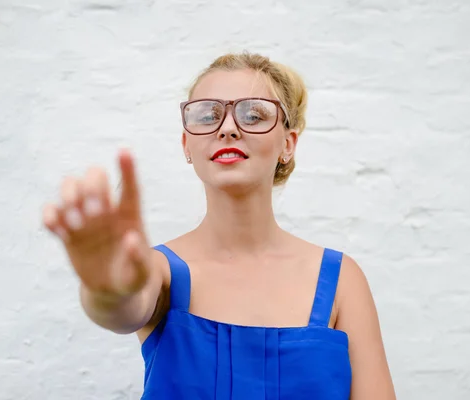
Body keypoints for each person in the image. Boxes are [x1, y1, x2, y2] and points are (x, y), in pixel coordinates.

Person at [42, 52, 396, 399]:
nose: (227, 128)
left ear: (287, 144)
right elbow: (123, 309)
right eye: (208, 115)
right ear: (187, 144)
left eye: (253, 115)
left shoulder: (341, 280)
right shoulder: (160, 271)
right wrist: (107, 288)